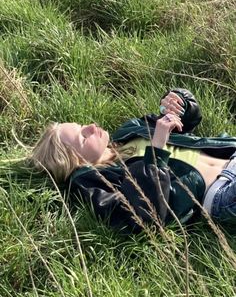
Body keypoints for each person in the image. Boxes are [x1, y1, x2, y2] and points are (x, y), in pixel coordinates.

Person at [31, 88, 236, 233]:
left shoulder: (128, 132)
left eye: (82, 125)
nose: (92, 126)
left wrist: (178, 102)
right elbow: (142, 217)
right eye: (83, 137)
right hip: (221, 194)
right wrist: (155, 150)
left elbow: (186, 122)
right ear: (77, 161)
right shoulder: (98, 183)